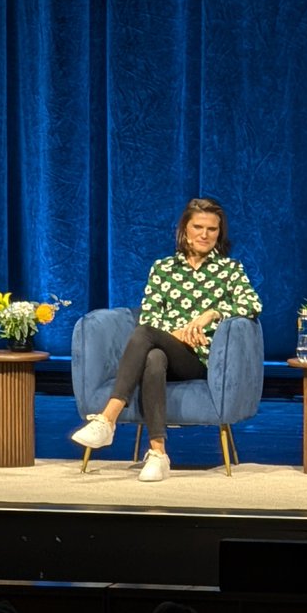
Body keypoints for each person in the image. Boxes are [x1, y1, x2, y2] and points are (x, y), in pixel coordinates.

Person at [70, 197, 263, 482]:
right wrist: (177, 333)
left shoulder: (230, 270)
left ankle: (107, 418)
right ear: (184, 229)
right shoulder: (163, 269)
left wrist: (212, 313)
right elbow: (149, 316)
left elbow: (253, 305)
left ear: (219, 233)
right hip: (165, 349)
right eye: (198, 227)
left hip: (199, 359)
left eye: (212, 229)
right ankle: (158, 454)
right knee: (153, 357)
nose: (205, 234)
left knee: (144, 336)